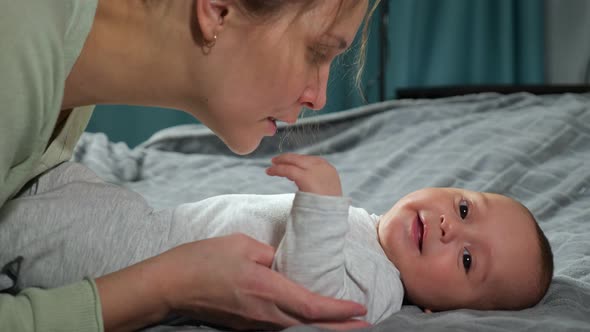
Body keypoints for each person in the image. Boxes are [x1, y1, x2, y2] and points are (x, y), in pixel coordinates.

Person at [0, 0, 381, 331]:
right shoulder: (17, 36)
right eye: (317, 51)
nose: (319, 97)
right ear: (218, 10)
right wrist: (169, 287)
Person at [147, 153, 553, 325]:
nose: (452, 227)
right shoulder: (370, 231)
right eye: (464, 210)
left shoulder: (380, 287)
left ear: (439, 310)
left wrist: (322, 202)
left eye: (467, 260)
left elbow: (306, 298)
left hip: (140, 257)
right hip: (153, 226)